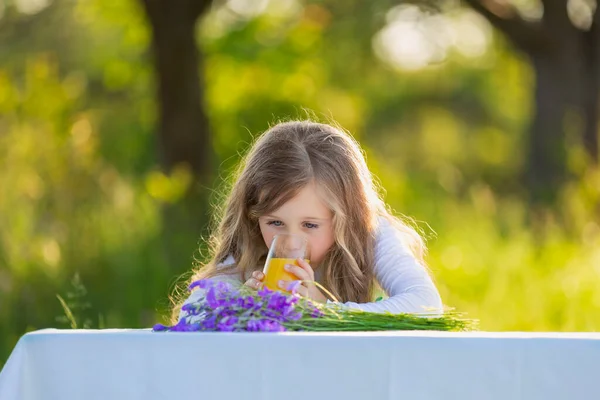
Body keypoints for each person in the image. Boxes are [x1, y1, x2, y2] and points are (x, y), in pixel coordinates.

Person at [172, 120, 443, 323]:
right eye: (275, 223)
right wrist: (240, 305)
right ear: (254, 215)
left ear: (347, 218)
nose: (291, 242)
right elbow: (191, 317)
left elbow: (426, 304)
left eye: (310, 225)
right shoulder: (249, 244)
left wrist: (324, 310)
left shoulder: (372, 233)